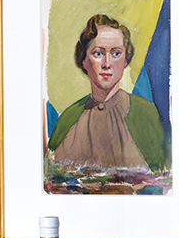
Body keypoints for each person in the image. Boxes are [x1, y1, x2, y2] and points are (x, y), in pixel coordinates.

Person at [47, 14, 169, 174]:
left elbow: (163, 176)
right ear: (84, 61)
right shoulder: (68, 119)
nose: (107, 64)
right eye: (98, 53)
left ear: (126, 61)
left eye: (116, 54)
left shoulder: (146, 113)